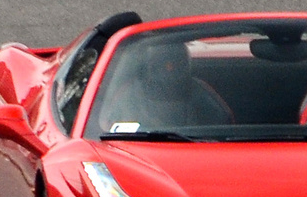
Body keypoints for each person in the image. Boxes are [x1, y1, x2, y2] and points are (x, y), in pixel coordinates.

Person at [97, 41, 233, 131]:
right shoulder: (129, 93)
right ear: (148, 66)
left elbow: (224, 123)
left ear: (186, 64)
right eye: (160, 65)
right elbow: (107, 127)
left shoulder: (198, 90)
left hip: (197, 148)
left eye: (175, 64)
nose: (168, 70)